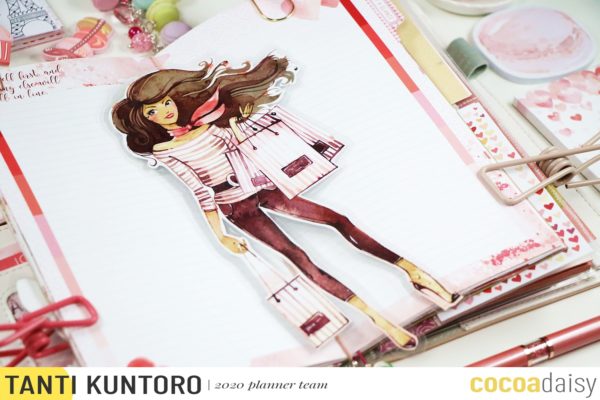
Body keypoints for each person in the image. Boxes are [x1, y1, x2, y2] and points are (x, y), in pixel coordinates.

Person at [112, 55, 462, 350]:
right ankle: (378, 319)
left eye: (166, 103)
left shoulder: (210, 126)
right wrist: (221, 235)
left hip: (262, 187)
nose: (164, 112)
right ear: (146, 118)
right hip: (235, 207)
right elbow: (199, 189)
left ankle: (412, 271)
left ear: (176, 100)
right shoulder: (165, 150)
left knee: (337, 220)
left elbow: (246, 146)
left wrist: (240, 121)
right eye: (154, 110)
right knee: (297, 256)